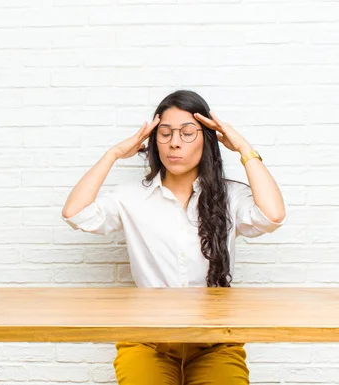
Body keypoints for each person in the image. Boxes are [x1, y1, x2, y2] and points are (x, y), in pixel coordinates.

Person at [60, 90, 288, 385]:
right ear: (154, 141)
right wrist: (113, 154)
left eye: (187, 133)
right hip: (147, 339)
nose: (175, 142)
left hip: (214, 341)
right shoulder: (132, 196)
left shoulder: (230, 195)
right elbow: (75, 213)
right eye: (165, 134)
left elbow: (273, 216)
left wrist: (244, 147)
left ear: (206, 139)